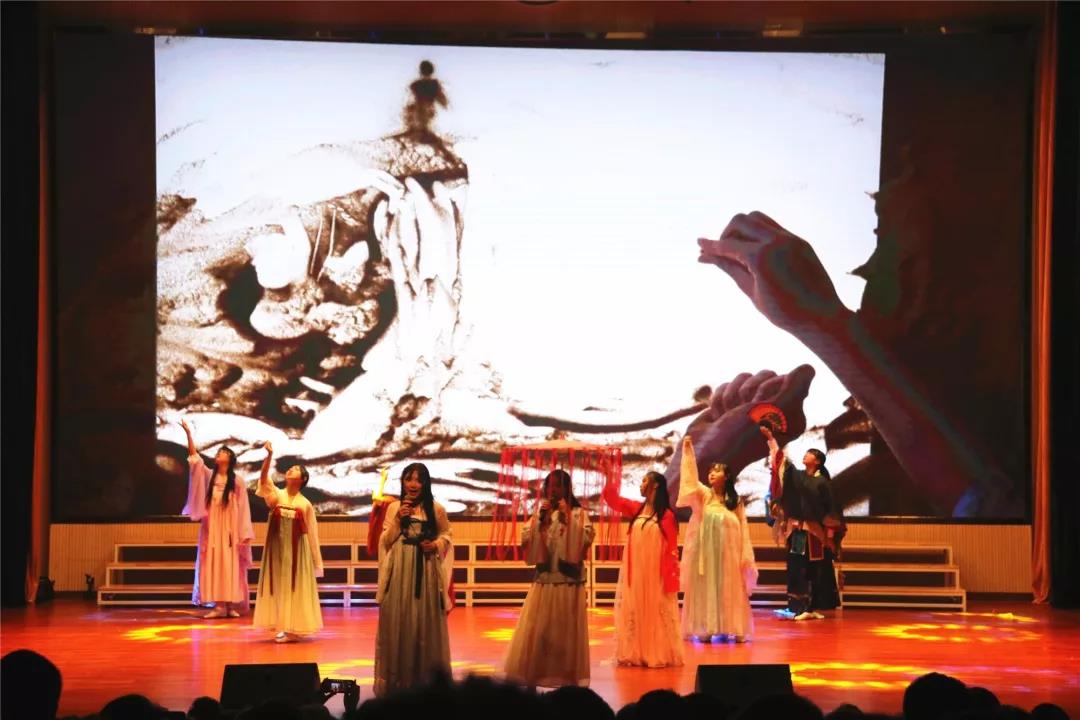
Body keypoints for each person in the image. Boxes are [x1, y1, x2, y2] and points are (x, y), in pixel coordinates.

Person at [504, 469, 595, 687]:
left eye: (558, 486)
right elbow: (526, 540)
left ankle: (565, 675)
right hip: (545, 579)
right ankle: (539, 671)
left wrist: (568, 518)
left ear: (567, 488)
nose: (553, 490)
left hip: (568, 581)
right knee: (540, 629)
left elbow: (585, 540)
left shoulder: (578, 513)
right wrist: (540, 523)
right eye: (549, 486)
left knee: (565, 629)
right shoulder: (540, 513)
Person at [373, 462, 454, 696]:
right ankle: (398, 680)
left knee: (423, 622)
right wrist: (399, 520)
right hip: (399, 571)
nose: (413, 484)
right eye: (409, 479)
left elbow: (447, 534)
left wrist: (435, 545)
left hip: (425, 572)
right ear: (402, 482)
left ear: (426, 483)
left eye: (419, 479)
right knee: (399, 620)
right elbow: (385, 540)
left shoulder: (436, 509)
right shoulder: (394, 508)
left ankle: (425, 681)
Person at [677, 436, 757, 641]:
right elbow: (690, 480)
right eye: (710, 471)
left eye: (717, 470)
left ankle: (734, 626)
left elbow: (744, 529)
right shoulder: (704, 496)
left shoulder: (735, 502)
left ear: (727, 476)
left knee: (730, 587)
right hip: (706, 555)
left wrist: (745, 555)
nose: (712, 473)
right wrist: (688, 451)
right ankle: (705, 627)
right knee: (707, 586)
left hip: (729, 556)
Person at [600, 470, 683, 667]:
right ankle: (635, 651)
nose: (641, 484)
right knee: (636, 609)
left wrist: (671, 578)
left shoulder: (667, 516)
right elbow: (613, 500)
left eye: (645, 480)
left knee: (656, 610)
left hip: (657, 576)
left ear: (655, 485)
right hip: (637, 573)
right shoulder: (637, 509)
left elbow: (672, 550)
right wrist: (610, 476)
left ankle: (656, 651)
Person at [762, 423, 844, 620]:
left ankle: (809, 607)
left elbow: (832, 510)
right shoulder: (797, 477)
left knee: (813, 568)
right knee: (796, 567)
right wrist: (771, 440)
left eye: (809, 454)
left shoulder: (822, 483)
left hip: (814, 534)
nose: (805, 456)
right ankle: (796, 606)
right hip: (797, 531)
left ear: (817, 461)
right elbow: (782, 465)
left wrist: (829, 536)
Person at [179, 418, 254, 618]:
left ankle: (229, 605)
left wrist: (244, 533)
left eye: (222, 452)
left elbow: (244, 509)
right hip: (212, 529)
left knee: (230, 565)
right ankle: (219, 606)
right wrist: (189, 434)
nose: (218, 454)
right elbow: (195, 459)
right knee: (214, 564)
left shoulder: (237, 481)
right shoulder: (209, 476)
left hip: (230, 531)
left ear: (229, 458)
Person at [252, 442, 323, 642]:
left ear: (303, 479)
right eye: (290, 468)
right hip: (277, 551)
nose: (290, 469)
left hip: (297, 553)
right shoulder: (277, 495)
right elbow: (263, 479)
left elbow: (312, 533)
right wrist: (269, 456)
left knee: (294, 587)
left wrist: (316, 561)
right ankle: (283, 625)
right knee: (279, 586)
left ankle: (293, 629)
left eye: (296, 469)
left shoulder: (305, 504)